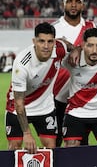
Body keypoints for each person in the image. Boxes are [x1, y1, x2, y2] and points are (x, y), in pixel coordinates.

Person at [5, 22, 71, 153]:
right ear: (34, 41)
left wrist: (76, 49)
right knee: (14, 148)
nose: (46, 46)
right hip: (18, 108)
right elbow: (19, 103)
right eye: (41, 41)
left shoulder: (58, 49)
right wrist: (27, 134)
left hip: (44, 108)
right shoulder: (22, 64)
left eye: (50, 41)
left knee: (51, 149)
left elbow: (64, 44)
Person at [52, 0, 96, 146]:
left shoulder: (91, 28)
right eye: (69, 1)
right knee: (54, 142)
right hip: (57, 95)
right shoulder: (55, 29)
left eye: (77, 2)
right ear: (63, 4)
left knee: (80, 144)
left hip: (81, 96)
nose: (73, 5)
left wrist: (77, 48)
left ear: (83, 5)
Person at [62, 28, 97, 147]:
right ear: (83, 45)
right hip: (76, 112)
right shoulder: (72, 59)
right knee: (71, 152)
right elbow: (56, 43)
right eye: (90, 45)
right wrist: (75, 48)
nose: (94, 50)